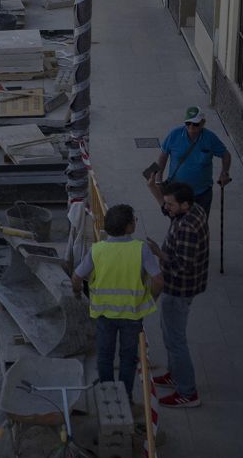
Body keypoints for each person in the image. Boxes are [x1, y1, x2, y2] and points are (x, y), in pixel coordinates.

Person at [73, 202, 161, 399]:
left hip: (104, 315)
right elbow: (158, 280)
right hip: (132, 314)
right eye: (134, 220)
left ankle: (107, 396)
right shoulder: (141, 249)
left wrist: (78, 293)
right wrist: (152, 298)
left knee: (104, 355)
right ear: (129, 227)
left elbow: (77, 277)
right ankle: (125, 396)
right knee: (128, 358)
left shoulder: (97, 250)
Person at [145, 181, 210, 408]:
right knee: (168, 331)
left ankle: (187, 392)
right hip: (184, 285)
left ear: (184, 204)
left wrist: (157, 254)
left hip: (179, 288)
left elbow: (182, 265)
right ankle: (175, 375)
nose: (166, 207)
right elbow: (168, 210)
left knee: (175, 340)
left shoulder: (188, 229)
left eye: (170, 204)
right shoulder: (192, 210)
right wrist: (154, 189)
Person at [152, 105, 232, 211]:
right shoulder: (174, 135)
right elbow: (162, 157)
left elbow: (226, 155)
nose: (191, 127)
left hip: (202, 193)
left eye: (195, 124)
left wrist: (224, 172)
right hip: (177, 193)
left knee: (199, 224)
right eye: (188, 123)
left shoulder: (210, 138)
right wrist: (158, 181)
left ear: (203, 122)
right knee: (179, 224)